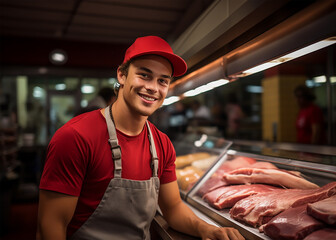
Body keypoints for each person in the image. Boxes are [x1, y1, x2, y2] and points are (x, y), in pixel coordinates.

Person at [36, 36, 244, 240]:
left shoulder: (162, 144)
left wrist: (206, 229)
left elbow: (173, 209)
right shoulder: (75, 137)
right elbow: (51, 227)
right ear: (122, 75)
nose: (153, 87)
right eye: (144, 75)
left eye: (163, 80)